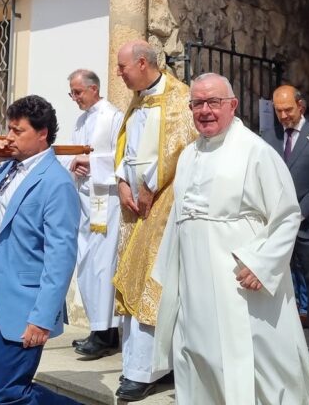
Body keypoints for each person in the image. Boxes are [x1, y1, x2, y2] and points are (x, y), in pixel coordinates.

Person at [153, 73, 309, 405]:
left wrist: (262, 264)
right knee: (200, 355)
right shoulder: (187, 156)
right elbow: (179, 219)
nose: (205, 110)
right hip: (195, 285)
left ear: (233, 105)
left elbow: (286, 214)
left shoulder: (256, 151)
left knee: (260, 364)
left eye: (213, 102)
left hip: (243, 284)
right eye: (197, 103)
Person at [0, 95, 79, 405]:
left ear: (42, 134)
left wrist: (42, 317)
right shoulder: (8, 167)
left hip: (26, 304)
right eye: (8, 129)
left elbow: (61, 257)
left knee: (7, 393)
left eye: (17, 130)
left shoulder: (56, 182)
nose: (8, 137)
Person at [113, 40, 195, 401]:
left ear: (143, 63)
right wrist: (120, 183)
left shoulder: (179, 97)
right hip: (132, 203)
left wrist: (147, 187)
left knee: (151, 281)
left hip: (161, 202)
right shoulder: (139, 97)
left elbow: (179, 145)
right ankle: (137, 364)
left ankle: (145, 370)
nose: (118, 73)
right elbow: (126, 146)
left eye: (122, 67)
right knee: (129, 278)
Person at [264, 84, 309, 359]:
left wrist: (297, 213)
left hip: (308, 225)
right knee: (279, 281)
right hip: (276, 224)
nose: (283, 116)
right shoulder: (268, 137)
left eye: (288, 110)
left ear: (300, 107)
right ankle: (282, 333)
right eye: (278, 110)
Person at [62, 68, 124, 360]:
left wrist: (92, 162)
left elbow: (124, 158)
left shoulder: (113, 117)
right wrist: (76, 163)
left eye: (77, 92)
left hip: (107, 202)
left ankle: (106, 333)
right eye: (72, 93)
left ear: (94, 89)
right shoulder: (82, 120)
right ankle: (97, 328)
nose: (74, 98)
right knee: (87, 265)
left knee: (102, 266)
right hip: (85, 199)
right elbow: (77, 153)